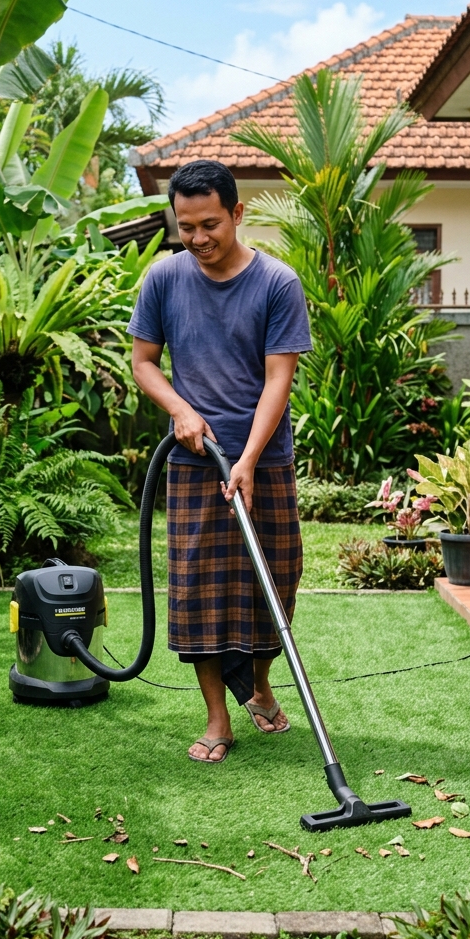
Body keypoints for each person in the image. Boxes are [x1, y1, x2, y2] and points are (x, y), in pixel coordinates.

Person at [127, 159, 312, 763]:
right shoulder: (164, 279)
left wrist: (249, 458)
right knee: (198, 590)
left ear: (237, 212)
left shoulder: (277, 283)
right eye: (186, 227)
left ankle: (259, 686)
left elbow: (278, 379)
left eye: (210, 224)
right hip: (193, 461)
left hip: (266, 459)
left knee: (274, 583)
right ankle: (216, 718)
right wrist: (180, 409)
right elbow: (144, 362)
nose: (198, 238)